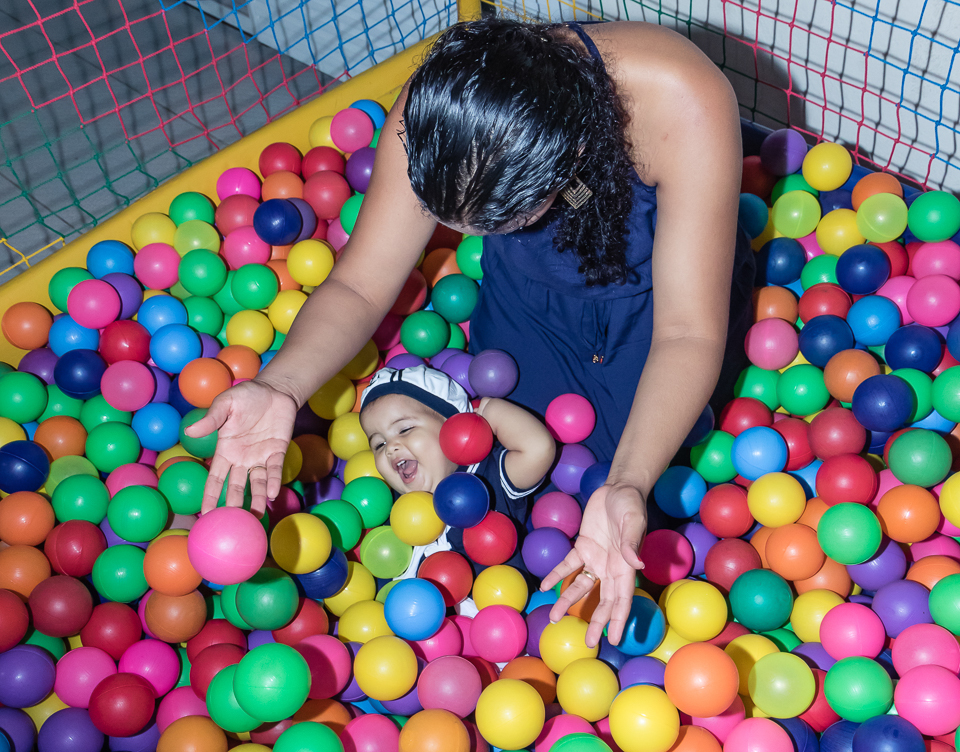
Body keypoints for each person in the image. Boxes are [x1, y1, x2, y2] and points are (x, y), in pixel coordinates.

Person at [187, 16, 755, 648]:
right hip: (532, 297)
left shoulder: (679, 98)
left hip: (661, 305)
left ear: (563, 160)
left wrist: (628, 483)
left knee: (630, 499)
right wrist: (281, 385)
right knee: (513, 478)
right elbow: (360, 284)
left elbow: (686, 334)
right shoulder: (440, 110)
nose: (473, 236)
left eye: (499, 219)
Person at [357, 364, 556, 574]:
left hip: (496, 601)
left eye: (405, 429)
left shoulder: (486, 477)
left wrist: (489, 411)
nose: (390, 448)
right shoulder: (393, 512)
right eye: (379, 445)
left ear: (454, 427)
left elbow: (538, 449)